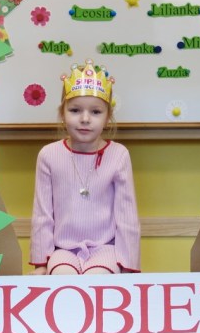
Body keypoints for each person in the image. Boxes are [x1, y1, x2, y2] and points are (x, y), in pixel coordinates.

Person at [29, 59, 140, 275]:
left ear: (108, 117)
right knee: (62, 276)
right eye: (75, 110)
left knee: (97, 278)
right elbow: (42, 215)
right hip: (63, 249)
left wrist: (128, 267)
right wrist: (41, 264)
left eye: (96, 112)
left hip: (106, 248)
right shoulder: (48, 155)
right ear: (63, 113)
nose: (85, 119)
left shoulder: (119, 155)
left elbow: (127, 216)